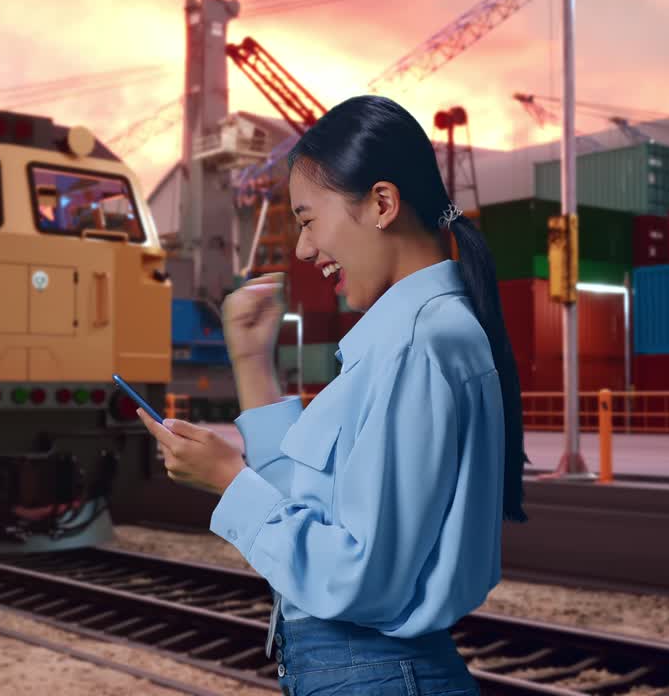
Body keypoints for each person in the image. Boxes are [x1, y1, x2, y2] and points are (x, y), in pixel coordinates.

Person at [136, 94, 528, 696]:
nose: (302, 249)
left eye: (307, 220)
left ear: (382, 204)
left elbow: (361, 578)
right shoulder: (411, 337)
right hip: (368, 673)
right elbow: (311, 507)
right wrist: (251, 360)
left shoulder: (415, 344)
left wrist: (229, 482)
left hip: (372, 674)